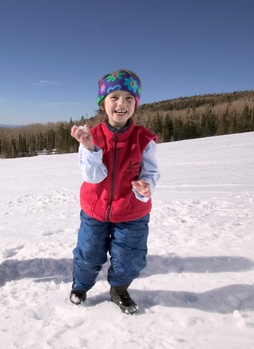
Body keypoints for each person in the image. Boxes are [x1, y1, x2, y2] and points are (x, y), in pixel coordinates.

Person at [69, 69, 160, 314]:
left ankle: (119, 289)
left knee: (129, 256)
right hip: (95, 210)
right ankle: (81, 286)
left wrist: (146, 185)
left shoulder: (143, 138)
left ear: (136, 104)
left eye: (129, 98)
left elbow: (151, 172)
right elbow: (92, 177)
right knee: (88, 253)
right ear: (103, 103)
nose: (122, 103)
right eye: (114, 97)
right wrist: (89, 148)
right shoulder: (92, 135)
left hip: (132, 212)